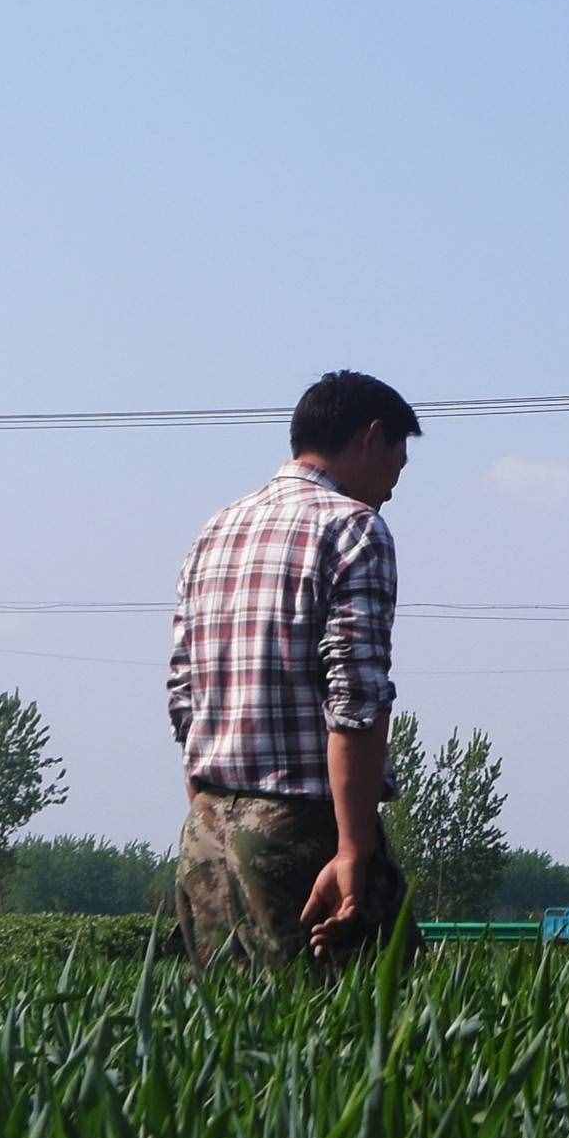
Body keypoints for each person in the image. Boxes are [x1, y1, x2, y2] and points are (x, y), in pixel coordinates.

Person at [166, 370, 423, 969]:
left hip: (205, 834)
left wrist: (211, 812)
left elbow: (183, 693)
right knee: (369, 1033)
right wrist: (354, 846)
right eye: (396, 465)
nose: (390, 490)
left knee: (229, 1046)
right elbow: (356, 696)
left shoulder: (216, 530)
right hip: (300, 834)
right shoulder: (354, 529)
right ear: (371, 437)